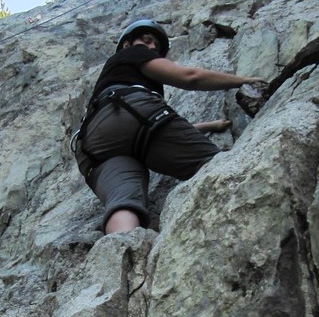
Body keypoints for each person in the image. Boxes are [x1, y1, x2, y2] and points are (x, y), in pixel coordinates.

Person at [72, 19, 265, 233]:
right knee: (215, 165)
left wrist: (210, 125)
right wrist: (243, 80)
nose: (153, 47)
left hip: (93, 145)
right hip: (132, 113)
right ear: (127, 44)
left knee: (124, 201)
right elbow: (190, 77)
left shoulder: (112, 75)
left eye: (156, 45)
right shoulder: (134, 53)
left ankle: (120, 250)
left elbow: (152, 133)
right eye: (147, 41)